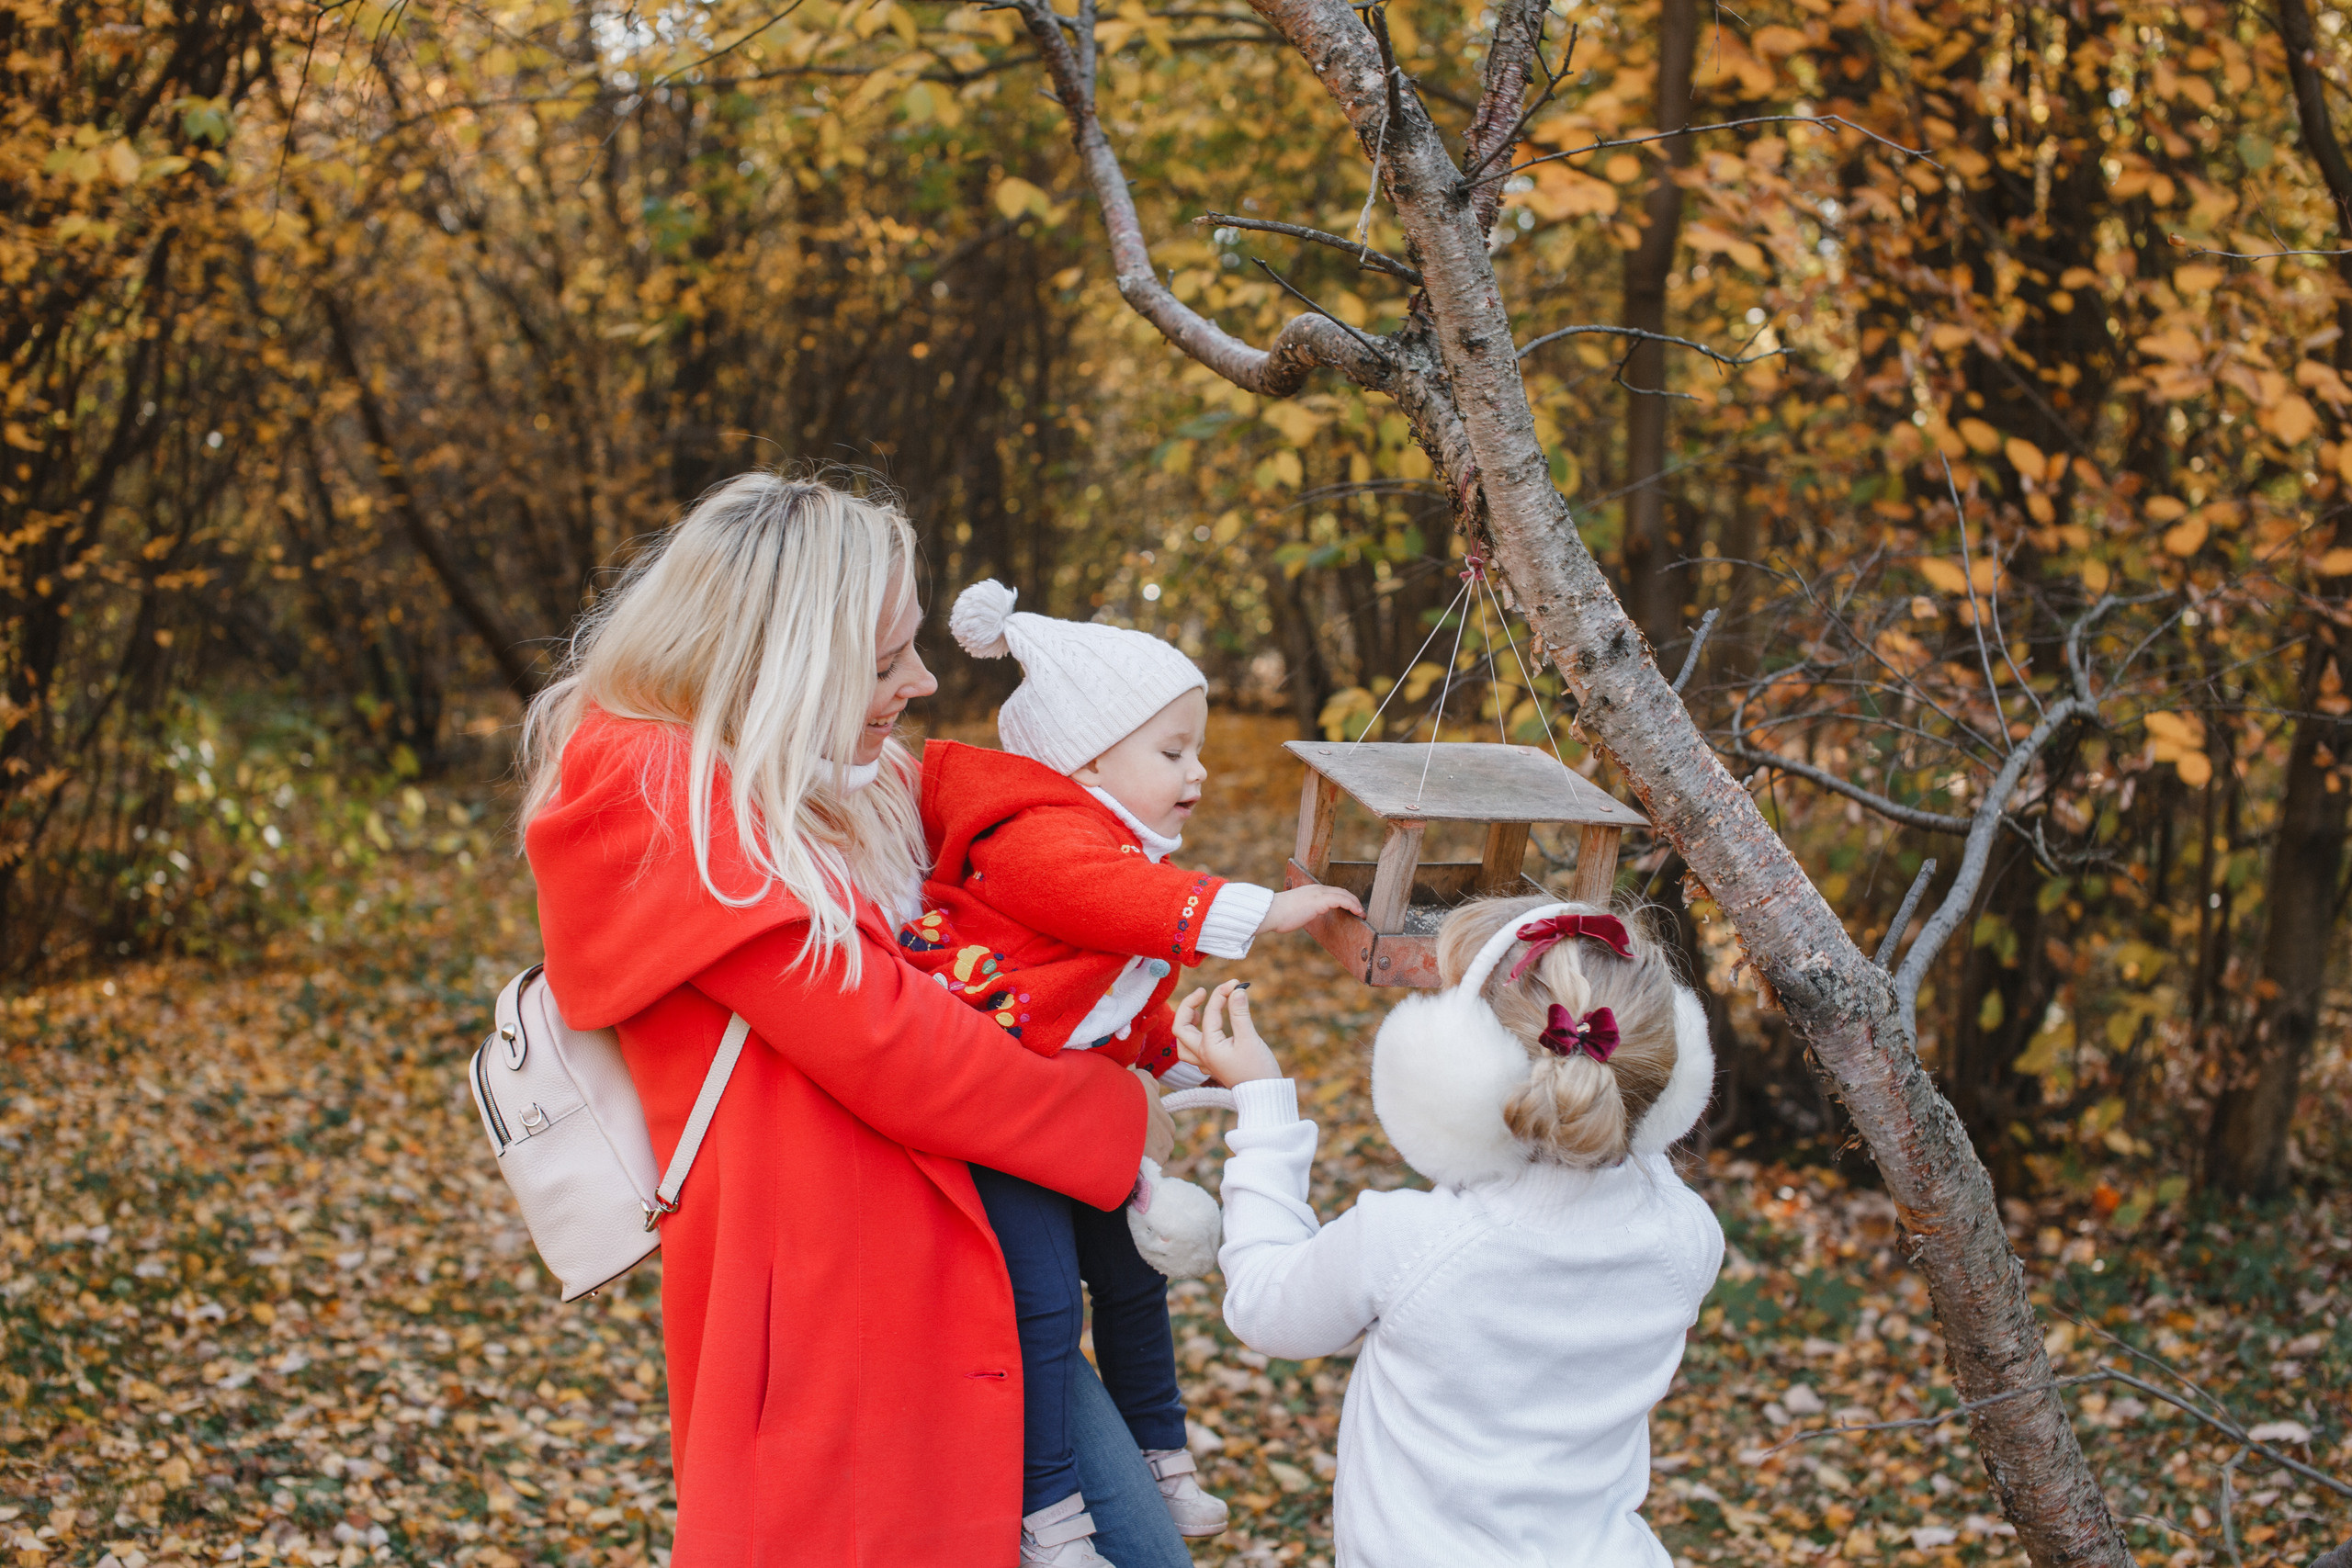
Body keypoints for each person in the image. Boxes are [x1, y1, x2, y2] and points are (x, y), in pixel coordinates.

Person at [517, 471, 1191, 1568]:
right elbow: (899, 1049)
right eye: (883, 665)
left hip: (962, 1274)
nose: (920, 684)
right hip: (845, 1325)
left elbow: (1022, 873)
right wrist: (1120, 1116)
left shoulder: (834, 786)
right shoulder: (669, 800)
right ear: (775, 662)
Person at [897, 580, 1362, 1565]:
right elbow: (1115, 906)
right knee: (1043, 1307)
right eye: (1172, 751)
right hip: (999, 1122)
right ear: (1087, 759)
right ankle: (1049, 1513)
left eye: (1193, 748)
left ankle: (1160, 1456)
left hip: (1073, 1111)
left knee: (1135, 1274)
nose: (1196, 773)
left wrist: (1168, 1060)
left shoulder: (1112, 842)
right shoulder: (1036, 837)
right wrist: (1265, 914)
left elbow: (1112, 989)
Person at [1178, 897, 1724, 1568]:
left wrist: (1263, 1104)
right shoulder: (1688, 1239)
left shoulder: (1412, 1242)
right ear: (1673, 1072)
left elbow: (1265, 1307)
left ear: (1458, 1069)